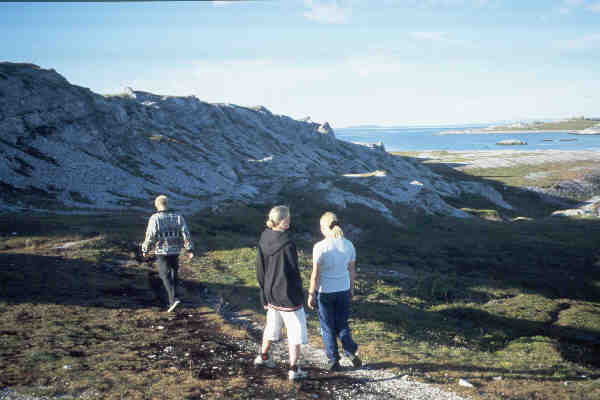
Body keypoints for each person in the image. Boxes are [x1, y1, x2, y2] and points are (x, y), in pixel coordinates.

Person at [254, 205, 308, 381]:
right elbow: (293, 271)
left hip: (270, 291)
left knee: (272, 325)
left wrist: (263, 291)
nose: (290, 220)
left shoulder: (264, 236)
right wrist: (301, 293)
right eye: (288, 218)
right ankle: (293, 368)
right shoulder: (288, 243)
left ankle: (263, 356)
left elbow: (259, 267)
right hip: (288, 294)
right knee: (295, 331)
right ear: (282, 221)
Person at [308, 212, 361, 371]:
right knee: (342, 324)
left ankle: (333, 360)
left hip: (325, 291)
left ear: (324, 227)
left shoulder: (320, 247)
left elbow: (315, 274)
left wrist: (311, 293)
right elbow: (352, 271)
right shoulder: (349, 245)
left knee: (327, 326)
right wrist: (351, 288)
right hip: (343, 289)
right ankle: (350, 351)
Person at [142, 195, 194, 313]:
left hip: (161, 251)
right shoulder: (178, 217)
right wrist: (189, 249)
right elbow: (185, 233)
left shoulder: (155, 218)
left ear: (157, 205)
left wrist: (145, 249)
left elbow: (150, 235)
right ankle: (174, 298)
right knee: (174, 273)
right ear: (167, 203)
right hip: (175, 250)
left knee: (164, 274)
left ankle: (173, 299)